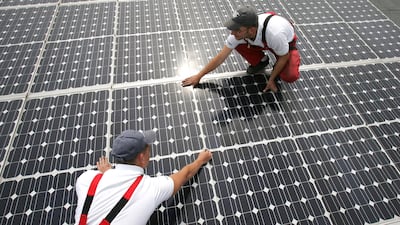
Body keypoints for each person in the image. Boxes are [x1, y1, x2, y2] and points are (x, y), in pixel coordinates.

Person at [74, 130, 212, 225]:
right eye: (148, 148)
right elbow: (186, 174)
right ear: (141, 157)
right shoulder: (151, 188)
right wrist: (200, 160)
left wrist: (108, 174)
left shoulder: (87, 179)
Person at [182, 6, 301, 93]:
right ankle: (261, 61)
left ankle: (278, 68)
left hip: (284, 41)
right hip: (263, 39)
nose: (233, 33)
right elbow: (220, 58)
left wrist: (272, 79)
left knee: (290, 75)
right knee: (238, 42)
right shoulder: (240, 33)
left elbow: (284, 56)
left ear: (252, 30)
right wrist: (199, 76)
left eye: (238, 30)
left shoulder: (275, 35)